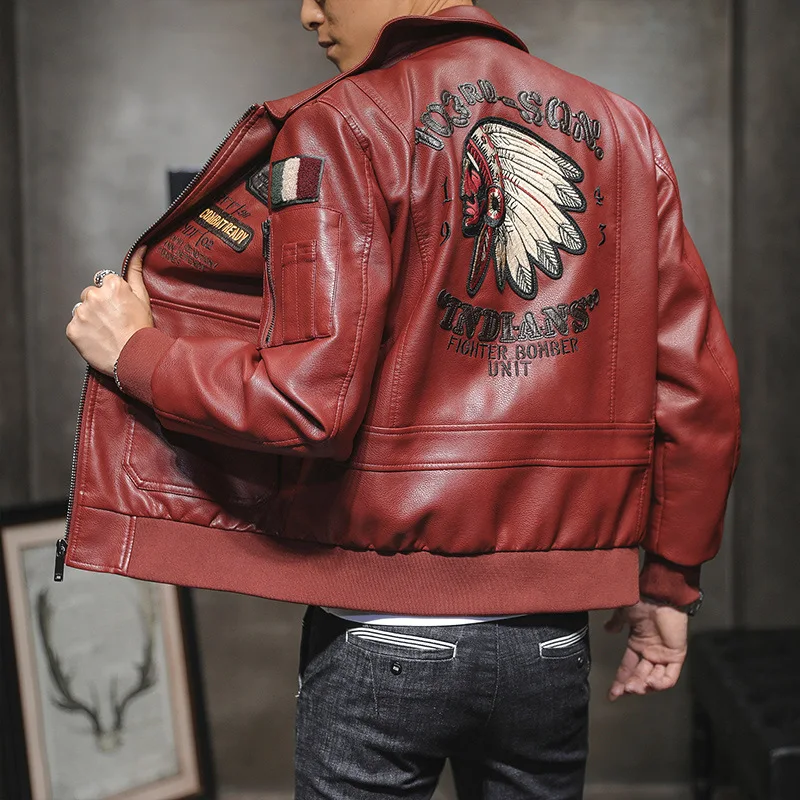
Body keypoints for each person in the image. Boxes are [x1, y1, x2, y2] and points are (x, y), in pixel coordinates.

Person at [64, 1, 741, 797]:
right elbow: (697, 386)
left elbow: (304, 403)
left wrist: (137, 354)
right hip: (551, 644)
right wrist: (668, 583)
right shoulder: (623, 130)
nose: (307, 12)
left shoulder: (343, 123)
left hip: (382, 638)